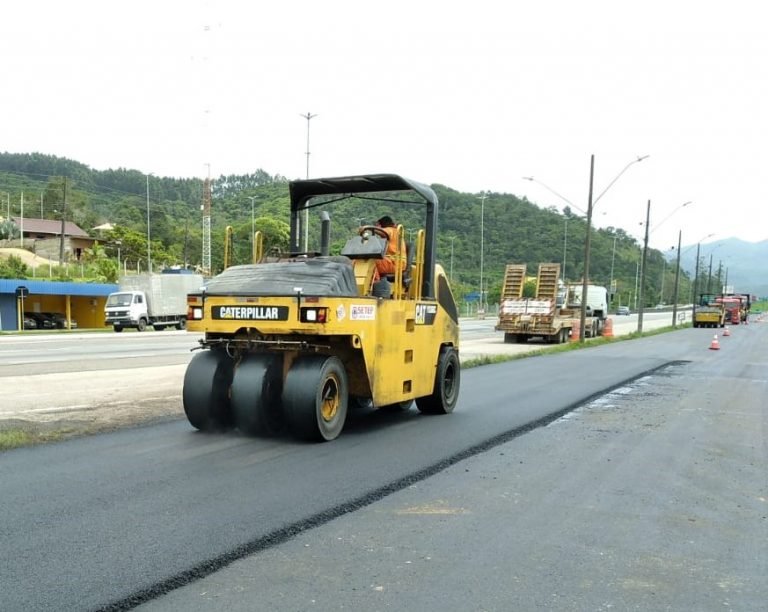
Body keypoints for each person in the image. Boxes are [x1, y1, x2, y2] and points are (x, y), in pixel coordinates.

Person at [373, 215, 406, 280]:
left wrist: (374, 229)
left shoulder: (391, 230)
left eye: (378, 226)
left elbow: (384, 232)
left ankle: (376, 285)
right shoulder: (394, 233)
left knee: (371, 262)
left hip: (395, 263)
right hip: (391, 262)